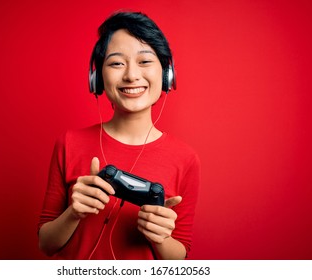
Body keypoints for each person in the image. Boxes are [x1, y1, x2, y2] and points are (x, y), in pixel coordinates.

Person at [38, 11, 200, 260]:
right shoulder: (69, 143)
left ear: (167, 75)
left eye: (144, 61)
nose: (131, 75)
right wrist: (74, 213)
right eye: (116, 63)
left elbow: (180, 256)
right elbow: (46, 244)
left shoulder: (186, 158)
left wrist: (161, 238)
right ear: (97, 79)